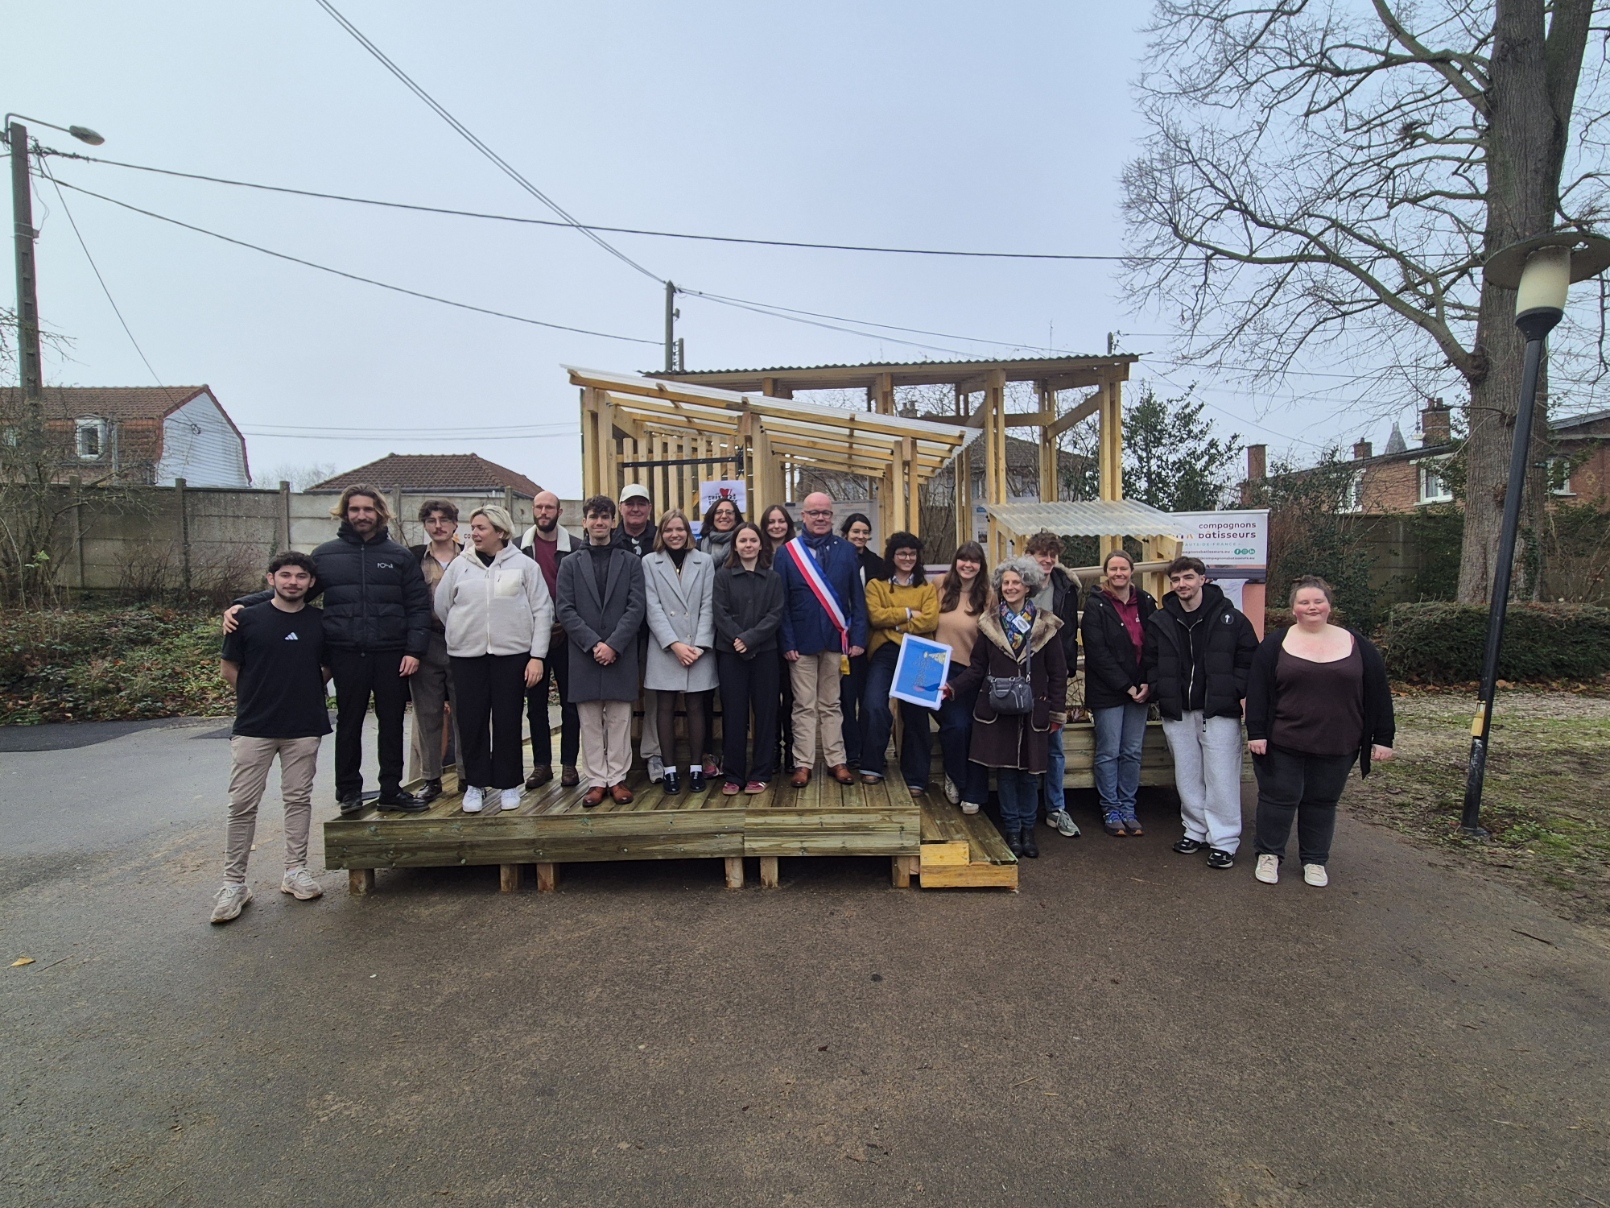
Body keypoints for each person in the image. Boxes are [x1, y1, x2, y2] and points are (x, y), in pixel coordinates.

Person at [225, 484, 431, 815]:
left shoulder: (398, 556)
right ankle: (348, 790)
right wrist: (241, 605)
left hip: (392, 653)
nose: (361, 515)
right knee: (348, 722)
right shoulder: (326, 555)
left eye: (367, 509)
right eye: (354, 510)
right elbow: (293, 591)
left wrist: (414, 650)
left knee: (391, 723)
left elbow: (418, 606)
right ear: (344, 513)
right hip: (344, 652)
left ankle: (392, 790)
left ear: (379, 512)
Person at [1245, 576, 1395, 887]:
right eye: (1304, 602)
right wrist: (1256, 732)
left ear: (1329, 605)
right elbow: (1258, 691)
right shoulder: (1275, 645)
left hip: (1339, 742)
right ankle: (1269, 854)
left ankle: (1315, 859)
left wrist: (1383, 738)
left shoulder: (1359, 646)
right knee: (1278, 798)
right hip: (1283, 739)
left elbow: (1378, 694)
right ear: (1293, 608)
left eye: (1317, 601)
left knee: (1322, 801)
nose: (1311, 607)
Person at [210, 551, 332, 924]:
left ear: (311, 583)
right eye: (285, 575)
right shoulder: (246, 619)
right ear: (270, 579)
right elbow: (229, 669)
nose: (292, 582)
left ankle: (294, 871)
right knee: (242, 805)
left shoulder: (321, 622)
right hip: (254, 727)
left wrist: (303, 693)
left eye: (300, 577)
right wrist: (256, 698)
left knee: (298, 800)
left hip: (303, 726)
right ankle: (234, 884)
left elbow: (325, 668)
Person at [434, 506, 552, 815]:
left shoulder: (525, 566)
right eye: (473, 527)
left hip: (511, 656)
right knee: (471, 721)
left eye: (481, 527)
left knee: (508, 720)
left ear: (500, 532)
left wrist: (536, 655)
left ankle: (508, 784)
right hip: (467, 657)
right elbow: (443, 606)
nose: (474, 532)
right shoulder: (460, 566)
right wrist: (464, 633)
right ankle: (475, 784)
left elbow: (543, 611)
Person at [1142, 556, 1259, 867]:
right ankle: (1195, 829)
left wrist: (1233, 688)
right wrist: (1158, 687)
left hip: (1218, 709)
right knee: (1187, 774)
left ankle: (1224, 840)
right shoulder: (1161, 620)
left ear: (1203, 579)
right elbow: (1150, 660)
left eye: (1188, 578)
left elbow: (1249, 659)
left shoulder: (1230, 619)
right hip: (1177, 709)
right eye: (1177, 579)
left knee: (1221, 776)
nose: (1182, 584)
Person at [949, 556, 1068, 858]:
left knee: (1030, 774)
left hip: (1034, 710)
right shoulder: (988, 624)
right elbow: (977, 669)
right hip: (997, 708)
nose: (1011, 587)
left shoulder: (1046, 624)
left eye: (1017, 582)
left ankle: (1029, 830)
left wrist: (1056, 711)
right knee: (1004, 773)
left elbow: (1058, 672)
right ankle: (1012, 830)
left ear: (1028, 586)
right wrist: (952, 687)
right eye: (1006, 582)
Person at [557, 495, 647, 806]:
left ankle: (618, 778)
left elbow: (636, 608)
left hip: (620, 653)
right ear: (584, 522)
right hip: (585, 654)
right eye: (593, 516)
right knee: (590, 721)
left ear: (612, 521)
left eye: (605, 517)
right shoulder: (569, 564)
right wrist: (595, 644)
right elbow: (565, 609)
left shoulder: (631, 562)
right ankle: (596, 780)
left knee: (621, 720)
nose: (599, 522)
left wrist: (613, 645)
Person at [775, 491, 867, 788]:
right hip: (800, 643)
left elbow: (857, 598)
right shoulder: (787, 553)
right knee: (803, 705)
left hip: (836, 641)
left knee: (832, 704)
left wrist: (859, 637)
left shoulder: (847, 551)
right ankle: (802, 763)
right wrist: (787, 642)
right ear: (803, 516)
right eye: (814, 513)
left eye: (825, 513)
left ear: (832, 516)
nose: (820, 518)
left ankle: (836, 760)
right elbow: (782, 603)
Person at [1080, 550, 1157, 838]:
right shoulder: (1096, 605)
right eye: (1113, 569)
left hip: (1141, 688)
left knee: (1132, 752)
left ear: (1132, 570)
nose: (1118, 573)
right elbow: (1097, 653)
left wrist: (1147, 682)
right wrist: (1126, 685)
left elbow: (1154, 644)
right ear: (1106, 572)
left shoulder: (1147, 602)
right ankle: (1110, 807)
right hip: (1109, 690)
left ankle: (1128, 806)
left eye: (1123, 568)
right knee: (1109, 751)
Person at [643, 509, 718, 795]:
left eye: (680, 529)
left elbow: (709, 605)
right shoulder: (649, 562)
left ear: (689, 533)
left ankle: (697, 767)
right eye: (669, 530)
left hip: (698, 647)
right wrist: (674, 644)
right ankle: (671, 770)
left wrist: (697, 646)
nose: (675, 534)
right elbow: (653, 607)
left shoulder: (705, 561)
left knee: (697, 708)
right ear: (661, 534)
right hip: (666, 648)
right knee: (664, 708)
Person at [860, 531, 939, 793]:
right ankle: (872, 764)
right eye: (902, 553)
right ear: (892, 556)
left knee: (916, 714)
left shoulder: (926, 589)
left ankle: (916, 776)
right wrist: (907, 614)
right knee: (873, 705)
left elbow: (930, 620)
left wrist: (895, 624)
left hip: (921, 652)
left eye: (912, 554)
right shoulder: (876, 585)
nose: (907, 558)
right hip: (884, 651)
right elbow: (875, 616)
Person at [712, 521, 785, 794]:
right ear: (735, 545)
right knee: (734, 714)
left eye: (753, 540)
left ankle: (761, 772)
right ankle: (733, 775)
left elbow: (775, 614)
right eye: (742, 541)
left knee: (766, 714)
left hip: (765, 654)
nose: (748, 545)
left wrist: (751, 639)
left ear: (761, 545)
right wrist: (738, 639)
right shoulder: (723, 576)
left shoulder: (773, 578)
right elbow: (720, 613)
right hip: (731, 655)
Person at [521, 490, 581, 789]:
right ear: (533, 510)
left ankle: (569, 764)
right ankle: (542, 765)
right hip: (532, 639)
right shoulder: (519, 550)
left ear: (560, 512)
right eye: (539, 507)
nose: (544, 512)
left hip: (568, 635)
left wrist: (567, 624)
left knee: (571, 704)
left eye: (549, 507)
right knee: (535, 705)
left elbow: (582, 594)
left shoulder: (576, 548)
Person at [1025, 531, 1081, 837]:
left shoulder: (1065, 587)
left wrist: (1067, 668)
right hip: (1021, 672)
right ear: (1030, 555)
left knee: (1055, 744)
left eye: (1052, 555)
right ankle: (1026, 809)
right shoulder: (1017, 582)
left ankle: (1056, 808)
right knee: (1022, 742)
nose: (1047, 560)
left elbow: (1069, 629)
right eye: (1041, 554)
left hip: (1052, 671)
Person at [407, 499, 461, 803]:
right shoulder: (413, 559)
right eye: (431, 520)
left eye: (444, 520)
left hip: (463, 642)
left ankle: (468, 775)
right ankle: (430, 778)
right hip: (426, 643)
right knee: (428, 715)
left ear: (455, 524)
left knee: (465, 714)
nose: (438, 526)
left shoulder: (471, 558)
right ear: (425, 525)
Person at [934, 542, 991, 815]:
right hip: (937, 668)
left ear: (981, 566)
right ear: (955, 561)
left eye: (974, 561)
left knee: (975, 729)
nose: (968, 565)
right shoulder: (939, 586)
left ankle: (974, 792)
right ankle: (958, 778)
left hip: (972, 673)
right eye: (963, 560)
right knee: (957, 726)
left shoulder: (988, 595)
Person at [613, 483, 664, 783]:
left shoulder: (661, 537)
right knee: (618, 697)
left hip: (654, 632)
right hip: (619, 635)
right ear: (620, 508)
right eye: (629, 503)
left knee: (656, 695)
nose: (635, 509)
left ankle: (653, 753)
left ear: (648, 508)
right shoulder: (609, 538)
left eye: (641, 504)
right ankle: (617, 758)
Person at [839, 512, 888, 767]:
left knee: (869, 700)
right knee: (846, 700)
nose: (860, 536)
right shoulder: (834, 559)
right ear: (846, 533)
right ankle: (852, 751)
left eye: (864, 532)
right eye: (855, 531)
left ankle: (871, 749)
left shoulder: (878, 564)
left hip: (870, 641)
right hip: (841, 642)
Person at [759, 503, 797, 766]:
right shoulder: (756, 553)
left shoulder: (798, 553)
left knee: (793, 697)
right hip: (764, 637)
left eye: (781, 521)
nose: (776, 526)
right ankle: (771, 749)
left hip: (792, 633)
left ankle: (793, 751)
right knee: (769, 698)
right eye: (771, 522)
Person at [699, 496, 742, 568]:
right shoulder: (699, 545)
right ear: (712, 517)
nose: (724, 516)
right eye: (719, 512)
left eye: (729, 512)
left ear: (736, 519)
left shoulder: (743, 544)